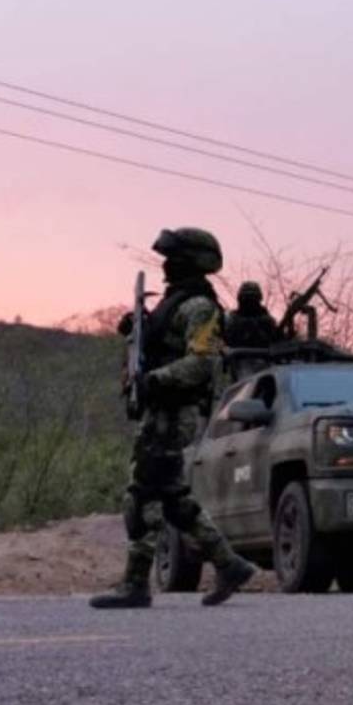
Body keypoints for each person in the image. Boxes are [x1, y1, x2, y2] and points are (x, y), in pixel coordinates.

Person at [91, 227, 256, 609]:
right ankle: (229, 564)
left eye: (173, 257)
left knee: (142, 493)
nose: (165, 265)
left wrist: (153, 381)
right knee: (173, 498)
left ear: (191, 261)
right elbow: (161, 348)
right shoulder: (176, 303)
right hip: (161, 409)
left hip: (173, 411)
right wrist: (138, 331)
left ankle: (135, 584)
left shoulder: (200, 306)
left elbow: (201, 362)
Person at [224, 280, 282, 381]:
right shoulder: (231, 320)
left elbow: (278, 343)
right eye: (246, 298)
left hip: (265, 365)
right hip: (237, 365)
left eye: (252, 298)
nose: (249, 302)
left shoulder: (268, 322)